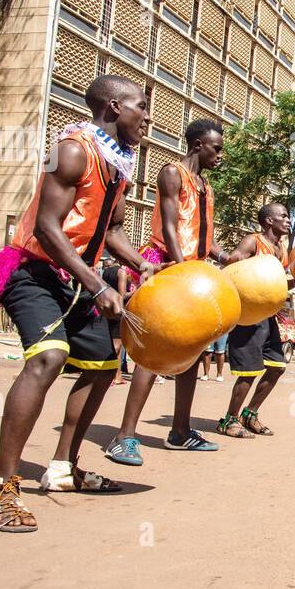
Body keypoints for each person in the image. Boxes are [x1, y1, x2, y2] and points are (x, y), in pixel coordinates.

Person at [0, 75, 158, 532]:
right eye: (141, 107)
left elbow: (109, 231)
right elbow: (46, 228)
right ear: (114, 107)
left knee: (101, 364)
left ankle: (62, 468)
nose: (148, 117)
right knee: (49, 357)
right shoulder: (72, 149)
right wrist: (99, 286)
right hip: (34, 273)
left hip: (77, 281)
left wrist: (141, 264)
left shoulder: (118, 165)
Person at [103, 119, 230, 466]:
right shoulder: (172, 173)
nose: (221, 155)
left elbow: (202, 236)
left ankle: (180, 431)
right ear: (197, 145)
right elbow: (172, 227)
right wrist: (180, 268)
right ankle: (124, 436)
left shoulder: (206, 186)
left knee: (190, 348)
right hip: (167, 267)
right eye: (216, 148)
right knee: (153, 350)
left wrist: (223, 256)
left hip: (194, 273)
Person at [216, 203, 295, 438]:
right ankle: (229, 419)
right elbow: (234, 264)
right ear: (269, 221)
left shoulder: (281, 248)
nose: (288, 219)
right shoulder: (253, 241)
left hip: (268, 317)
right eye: (283, 215)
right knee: (249, 371)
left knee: (277, 367)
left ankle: (249, 414)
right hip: (248, 316)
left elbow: (276, 283)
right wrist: (233, 258)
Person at [100, 255, 132, 386]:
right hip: (118, 310)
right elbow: (122, 295)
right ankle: (110, 376)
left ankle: (117, 376)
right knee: (117, 345)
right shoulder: (121, 272)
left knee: (114, 342)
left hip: (107, 308)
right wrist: (139, 290)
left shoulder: (105, 272)